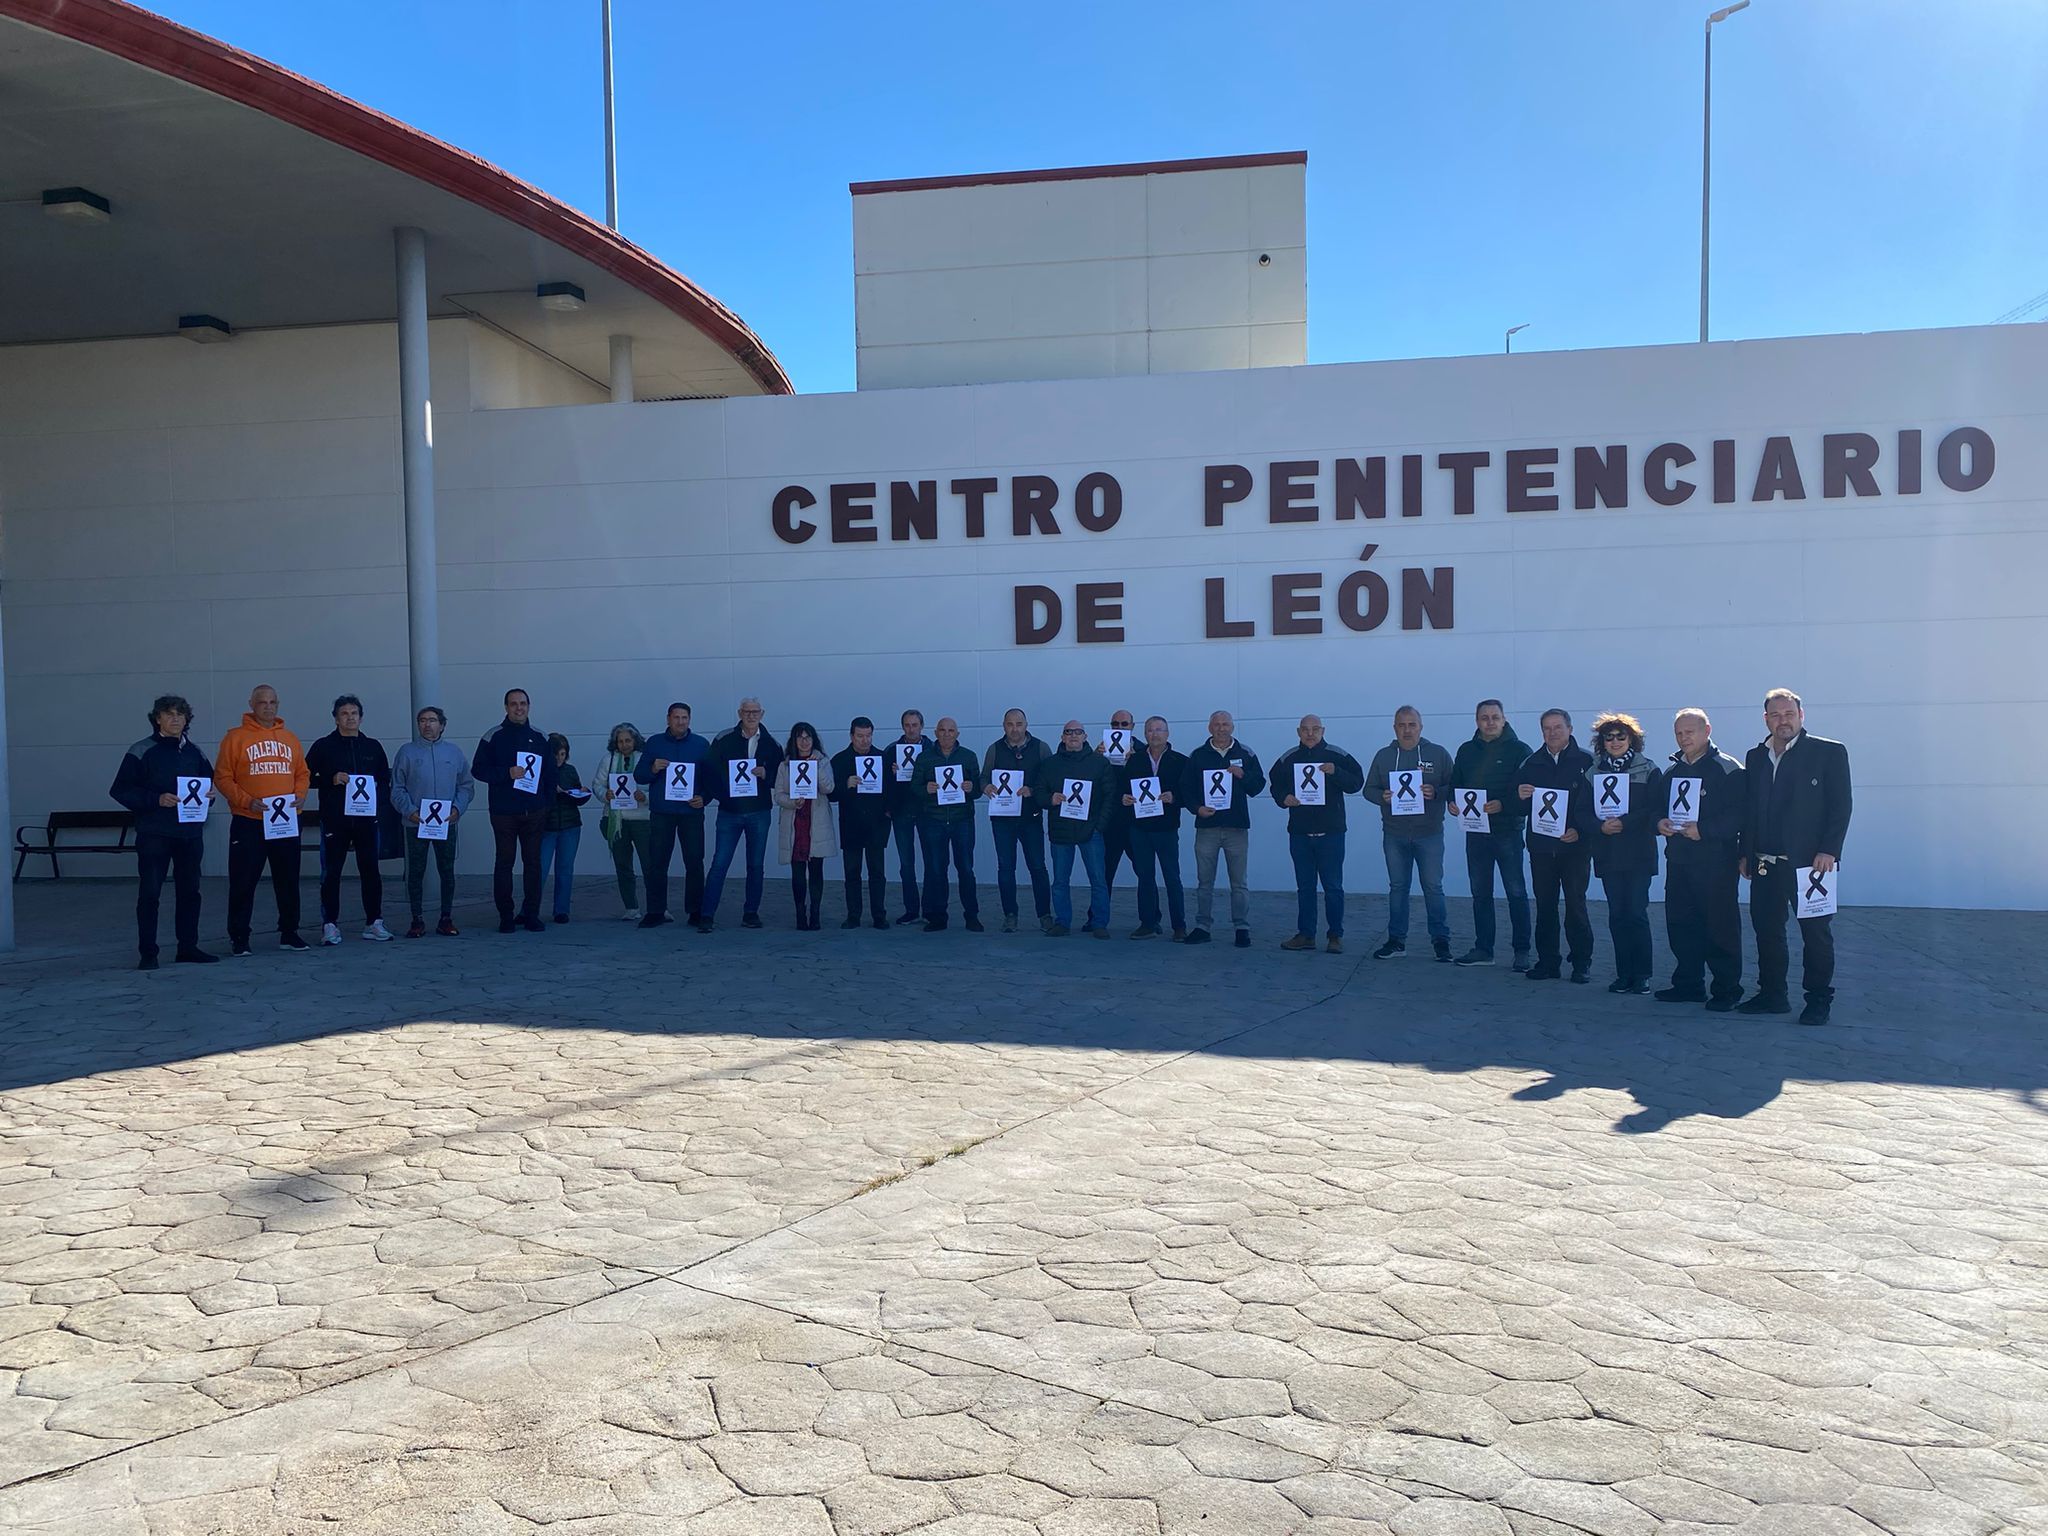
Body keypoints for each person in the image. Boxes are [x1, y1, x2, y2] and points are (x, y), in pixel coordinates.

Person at [1739, 688, 1853, 1026]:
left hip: (1811, 865)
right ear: (1766, 719)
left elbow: (1841, 806)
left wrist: (1830, 850)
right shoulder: (1756, 756)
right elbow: (1750, 810)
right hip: (1764, 862)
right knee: (1767, 930)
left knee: (1815, 934)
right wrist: (1744, 853)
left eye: (1788, 714)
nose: (1782, 720)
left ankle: (1818, 1000)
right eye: (1775, 715)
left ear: (1801, 716)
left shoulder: (1828, 752)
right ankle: (1772, 994)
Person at [109, 693, 218, 968]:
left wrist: (210, 795)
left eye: (180, 714)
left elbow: (208, 782)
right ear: (157, 718)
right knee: (150, 893)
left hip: (190, 834)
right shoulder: (141, 750)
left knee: (190, 892)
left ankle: (188, 947)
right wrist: (155, 799)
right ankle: (148, 953)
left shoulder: (196, 752)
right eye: (169, 714)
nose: (175, 719)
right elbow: (120, 789)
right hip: (154, 834)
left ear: (187, 719)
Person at [1655, 708, 1745, 1010]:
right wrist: (1660, 823)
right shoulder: (1672, 771)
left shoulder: (1727, 769)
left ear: (1707, 730)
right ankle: (1688, 984)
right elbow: (1658, 808)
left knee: (1720, 926)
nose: (1684, 738)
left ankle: (1727, 989)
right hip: (1679, 860)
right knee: (1681, 923)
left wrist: (1704, 830)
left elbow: (1740, 814)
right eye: (1679, 733)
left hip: (1716, 863)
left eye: (1689, 731)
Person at [215, 683, 311, 956]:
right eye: (262, 702)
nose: (268, 707)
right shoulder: (235, 738)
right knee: (244, 881)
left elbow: (302, 773)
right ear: (251, 705)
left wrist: (300, 795)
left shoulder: (290, 738)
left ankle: (289, 933)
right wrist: (246, 801)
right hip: (249, 821)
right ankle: (240, 937)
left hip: (285, 820)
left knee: (288, 879)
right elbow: (222, 777)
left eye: (272, 702)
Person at [1363, 706, 1455, 961]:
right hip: (1394, 835)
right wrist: (1381, 796)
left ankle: (1441, 942)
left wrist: (1435, 792)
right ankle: (1396, 941)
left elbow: (1455, 785)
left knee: (1433, 887)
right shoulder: (1383, 756)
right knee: (1398, 888)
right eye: (1402, 725)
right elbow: (1368, 789)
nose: (1407, 729)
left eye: (1412, 724)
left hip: (1430, 834)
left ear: (1420, 727)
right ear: (1394, 728)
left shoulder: (1437, 754)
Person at [1269, 715, 1366, 953]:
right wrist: (1284, 799)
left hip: (1331, 833)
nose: (1310, 734)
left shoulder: (1337, 755)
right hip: (1300, 834)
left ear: (1323, 730)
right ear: (1298, 731)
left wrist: (1336, 772)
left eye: (1315, 729)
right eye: (1305, 729)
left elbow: (1357, 782)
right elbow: (1274, 783)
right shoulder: (1288, 758)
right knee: (1305, 887)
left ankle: (1335, 936)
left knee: (1333, 886)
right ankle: (1306, 935)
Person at [1450, 700, 1533, 970]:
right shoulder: (1465, 750)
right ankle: (1483, 948)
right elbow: (1455, 784)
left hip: (1507, 832)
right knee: (1480, 893)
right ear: (1476, 721)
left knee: (1516, 892)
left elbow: (1526, 792)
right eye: (1484, 717)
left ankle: (1522, 951)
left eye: (1494, 717)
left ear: (1504, 719)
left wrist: (1503, 805)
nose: (1489, 722)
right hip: (1475, 833)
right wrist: (1452, 803)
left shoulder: (1521, 750)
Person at [1587, 712, 1665, 994]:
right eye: (1610, 737)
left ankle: (1642, 974)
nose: (1616, 741)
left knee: (1636, 913)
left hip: (1638, 854)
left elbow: (1655, 809)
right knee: (1617, 914)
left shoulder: (1649, 769)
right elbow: (1581, 812)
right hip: (1607, 854)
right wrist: (1599, 826)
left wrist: (1626, 822)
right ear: (1602, 742)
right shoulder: (1593, 771)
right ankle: (1623, 974)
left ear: (1632, 739)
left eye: (1622, 736)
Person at [1517, 709, 1596, 984]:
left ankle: (1581, 962)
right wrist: (1519, 795)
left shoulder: (1587, 761)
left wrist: (1581, 832)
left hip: (1575, 849)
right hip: (1541, 848)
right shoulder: (1531, 763)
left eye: (1558, 727)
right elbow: (1517, 805)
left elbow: (1597, 806)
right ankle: (1548, 961)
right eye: (1547, 728)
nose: (1552, 733)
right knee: (1545, 906)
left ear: (1570, 728)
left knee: (1576, 905)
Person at [307, 694, 393, 946]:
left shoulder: (373, 747)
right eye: (344, 713)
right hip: (335, 820)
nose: (350, 718)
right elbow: (305, 776)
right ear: (336, 718)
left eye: (354, 713)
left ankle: (374, 921)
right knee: (331, 873)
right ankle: (330, 924)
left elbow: (384, 779)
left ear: (361, 717)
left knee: (371, 872)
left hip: (366, 821)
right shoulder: (323, 746)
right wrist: (330, 779)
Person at [471, 687, 555, 934]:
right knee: (504, 863)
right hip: (503, 813)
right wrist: (505, 773)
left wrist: (545, 804)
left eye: (523, 703)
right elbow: (478, 770)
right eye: (513, 704)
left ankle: (531, 914)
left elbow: (550, 774)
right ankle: (506, 916)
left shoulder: (541, 737)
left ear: (529, 706)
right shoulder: (492, 736)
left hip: (534, 812)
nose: (519, 708)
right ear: (506, 707)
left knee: (533, 864)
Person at [699, 698, 785, 931]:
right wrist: (722, 795)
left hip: (759, 812)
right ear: (739, 713)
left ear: (762, 713)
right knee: (719, 863)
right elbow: (708, 770)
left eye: (755, 712)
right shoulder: (723, 739)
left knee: (755, 865)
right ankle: (706, 915)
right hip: (729, 812)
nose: (750, 715)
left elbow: (781, 776)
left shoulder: (772, 744)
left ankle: (751, 913)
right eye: (746, 711)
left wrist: (766, 773)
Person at [1183, 710, 1265, 948]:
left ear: (1232, 727)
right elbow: (1185, 788)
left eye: (1225, 724)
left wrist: (1243, 775)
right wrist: (1197, 808)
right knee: (1204, 881)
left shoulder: (1246, 753)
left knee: (1239, 882)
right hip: (1207, 828)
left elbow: (1258, 785)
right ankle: (1202, 926)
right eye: (1216, 724)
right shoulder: (1198, 755)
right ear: (1210, 728)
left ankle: (1241, 927)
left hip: (1236, 828)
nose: (1221, 728)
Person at [391, 705, 473, 938]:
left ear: (442, 725)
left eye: (432, 720)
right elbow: (396, 788)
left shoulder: (454, 753)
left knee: (446, 871)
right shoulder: (406, 752)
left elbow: (466, 786)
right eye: (422, 720)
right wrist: (410, 812)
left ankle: (446, 919)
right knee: (415, 872)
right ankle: (416, 919)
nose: (427, 725)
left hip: (446, 823)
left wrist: (458, 808)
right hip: (416, 823)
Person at [634, 702, 709, 929]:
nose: (680, 722)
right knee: (657, 863)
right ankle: (655, 911)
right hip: (662, 813)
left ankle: (696, 911)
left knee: (695, 862)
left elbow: (711, 778)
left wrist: (704, 797)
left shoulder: (701, 745)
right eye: (676, 717)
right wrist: (653, 768)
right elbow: (639, 775)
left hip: (691, 812)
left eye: (684, 717)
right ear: (668, 719)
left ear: (690, 719)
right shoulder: (655, 743)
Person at [1035, 720, 1114, 937]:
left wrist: (1100, 826)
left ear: (1085, 736)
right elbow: (1038, 792)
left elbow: (1110, 796)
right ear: (1062, 737)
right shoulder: (1050, 764)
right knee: (1060, 880)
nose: (1073, 736)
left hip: (1091, 831)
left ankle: (1099, 923)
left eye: (1078, 732)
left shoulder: (1100, 763)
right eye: (1068, 732)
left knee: (1098, 880)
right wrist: (1050, 799)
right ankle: (1062, 921)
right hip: (1060, 831)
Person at [982, 708, 1051, 933]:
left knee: (1038, 867)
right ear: (1004, 726)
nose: (1014, 729)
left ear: (1026, 724)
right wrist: (986, 787)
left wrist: (1034, 790)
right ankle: (1010, 914)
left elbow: (1051, 778)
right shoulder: (994, 749)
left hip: (1030, 818)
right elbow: (983, 776)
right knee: (1005, 868)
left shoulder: (1041, 748)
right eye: (1010, 724)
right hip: (1002, 820)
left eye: (1018, 724)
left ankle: (1044, 915)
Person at [1121, 715, 1190, 940]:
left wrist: (1175, 797)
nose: (1155, 734)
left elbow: (1190, 794)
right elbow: (1123, 789)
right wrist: (1125, 799)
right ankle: (1148, 923)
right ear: (1145, 734)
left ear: (1168, 733)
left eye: (1159, 730)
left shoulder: (1180, 761)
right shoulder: (1133, 760)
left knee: (1172, 877)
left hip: (1167, 829)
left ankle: (1179, 925)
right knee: (1145, 877)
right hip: (1139, 828)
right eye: (1150, 730)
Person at [912, 716, 982, 932]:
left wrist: (971, 788)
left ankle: (972, 916)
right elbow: (914, 787)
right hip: (933, 820)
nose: (946, 734)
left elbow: (979, 789)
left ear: (957, 734)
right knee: (936, 870)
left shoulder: (968, 757)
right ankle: (938, 917)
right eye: (942, 730)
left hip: (962, 820)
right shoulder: (924, 758)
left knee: (966, 869)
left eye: (951, 730)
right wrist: (926, 790)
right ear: (935, 733)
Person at [774, 721, 837, 930]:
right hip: (795, 822)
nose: (804, 741)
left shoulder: (823, 761)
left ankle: (815, 913)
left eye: (808, 737)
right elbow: (778, 795)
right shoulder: (784, 765)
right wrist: (793, 802)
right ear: (794, 740)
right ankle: (800, 912)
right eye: (799, 737)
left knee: (817, 870)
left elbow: (829, 788)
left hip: (816, 822)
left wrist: (815, 767)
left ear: (814, 739)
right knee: (798, 872)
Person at [831, 716, 892, 930]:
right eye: (860, 736)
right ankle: (853, 915)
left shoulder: (883, 758)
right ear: (851, 736)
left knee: (877, 874)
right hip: (851, 825)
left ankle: (879, 915)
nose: (864, 741)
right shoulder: (840, 760)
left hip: (876, 825)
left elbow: (891, 791)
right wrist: (845, 784)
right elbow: (830, 794)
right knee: (852, 873)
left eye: (868, 736)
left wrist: (889, 811)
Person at [595, 722, 652, 922]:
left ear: (635, 740)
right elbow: (598, 785)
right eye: (620, 741)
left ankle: (657, 907)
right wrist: (605, 795)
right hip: (616, 821)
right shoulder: (608, 760)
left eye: (628, 740)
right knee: (623, 865)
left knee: (650, 865)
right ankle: (631, 907)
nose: (624, 744)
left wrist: (644, 797)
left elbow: (659, 787)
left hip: (642, 820)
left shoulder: (645, 760)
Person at [884, 708, 933, 925]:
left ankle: (930, 910)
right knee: (906, 864)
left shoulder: (933, 749)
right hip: (902, 813)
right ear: (902, 726)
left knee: (931, 862)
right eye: (907, 725)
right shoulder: (892, 751)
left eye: (915, 725)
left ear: (922, 726)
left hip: (927, 813)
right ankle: (911, 910)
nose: (911, 729)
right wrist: (892, 773)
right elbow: (882, 783)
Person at [538, 733, 590, 923]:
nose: (559, 759)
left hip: (570, 825)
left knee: (565, 869)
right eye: (556, 755)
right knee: (540, 870)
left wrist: (582, 793)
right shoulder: (540, 771)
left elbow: (577, 797)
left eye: (562, 754)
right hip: (547, 827)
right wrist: (554, 791)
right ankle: (531, 909)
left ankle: (561, 910)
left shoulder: (570, 770)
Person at [1096, 708, 1139, 930]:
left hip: (1135, 823)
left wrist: (1136, 760)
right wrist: (1096, 756)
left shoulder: (1142, 750)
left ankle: (1151, 919)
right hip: (1111, 822)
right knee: (1104, 873)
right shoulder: (1101, 750)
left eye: (1124, 724)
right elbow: (1091, 781)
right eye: (1115, 724)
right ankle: (1096, 918)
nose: (1119, 728)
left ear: (1132, 726)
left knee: (1144, 871)